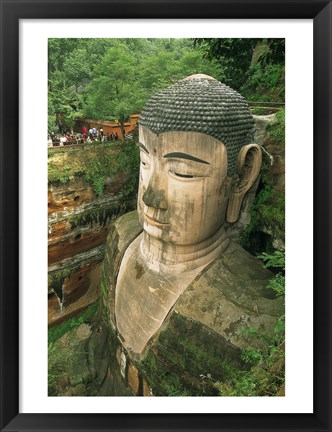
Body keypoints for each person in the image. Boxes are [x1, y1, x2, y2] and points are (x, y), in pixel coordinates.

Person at [104, 76, 283, 396]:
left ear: (242, 176)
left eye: (183, 173)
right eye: (145, 162)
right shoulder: (120, 237)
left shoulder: (256, 319)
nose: (150, 198)